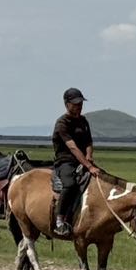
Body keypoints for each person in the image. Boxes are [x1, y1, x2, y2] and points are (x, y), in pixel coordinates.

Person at [51, 86, 102, 236]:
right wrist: (89, 166)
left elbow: (88, 142)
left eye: (80, 103)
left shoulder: (83, 121)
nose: (79, 106)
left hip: (83, 160)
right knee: (70, 184)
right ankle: (60, 221)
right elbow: (72, 147)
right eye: (75, 104)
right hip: (65, 162)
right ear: (67, 104)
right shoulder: (62, 123)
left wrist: (89, 155)